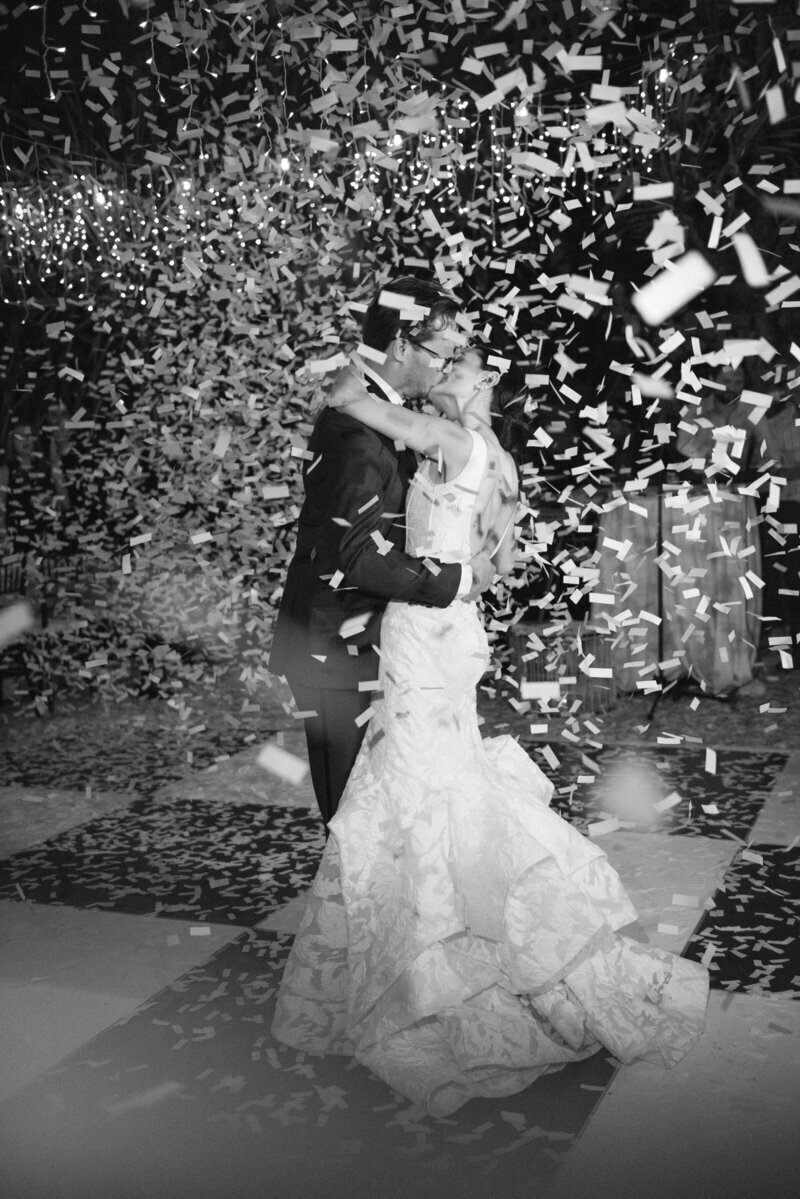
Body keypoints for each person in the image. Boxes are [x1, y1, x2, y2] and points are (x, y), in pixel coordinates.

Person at [271, 339, 709, 1118]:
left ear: (481, 389)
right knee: (430, 781)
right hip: (442, 626)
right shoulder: (489, 456)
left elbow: (358, 406)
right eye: (441, 364)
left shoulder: (457, 439)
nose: (443, 375)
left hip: (422, 624)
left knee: (411, 786)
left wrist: (332, 375)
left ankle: (425, 955)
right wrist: (468, 575)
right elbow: (500, 557)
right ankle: (438, 937)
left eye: (458, 369)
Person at [269, 277, 495, 826]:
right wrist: (453, 582)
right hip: (335, 647)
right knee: (349, 816)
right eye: (441, 354)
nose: (445, 368)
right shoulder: (355, 428)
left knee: (381, 810)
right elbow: (356, 553)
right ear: (400, 346)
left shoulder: (382, 415)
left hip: (377, 639)